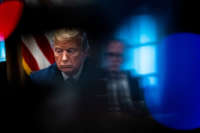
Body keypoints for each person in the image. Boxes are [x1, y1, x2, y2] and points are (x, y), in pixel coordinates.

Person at [29, 28, 104, 133]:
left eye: (71, 50)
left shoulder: (102, 77)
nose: (64, 58)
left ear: (85, 52)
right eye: (58, 51)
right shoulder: (37, 79)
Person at [101, 39, 147, 118]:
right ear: (105, 56)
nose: (115, 59)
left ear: (125, 58)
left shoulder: (134, 80)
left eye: (119, 55)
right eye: (111, 55)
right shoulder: (95, 80)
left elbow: (141, 108)